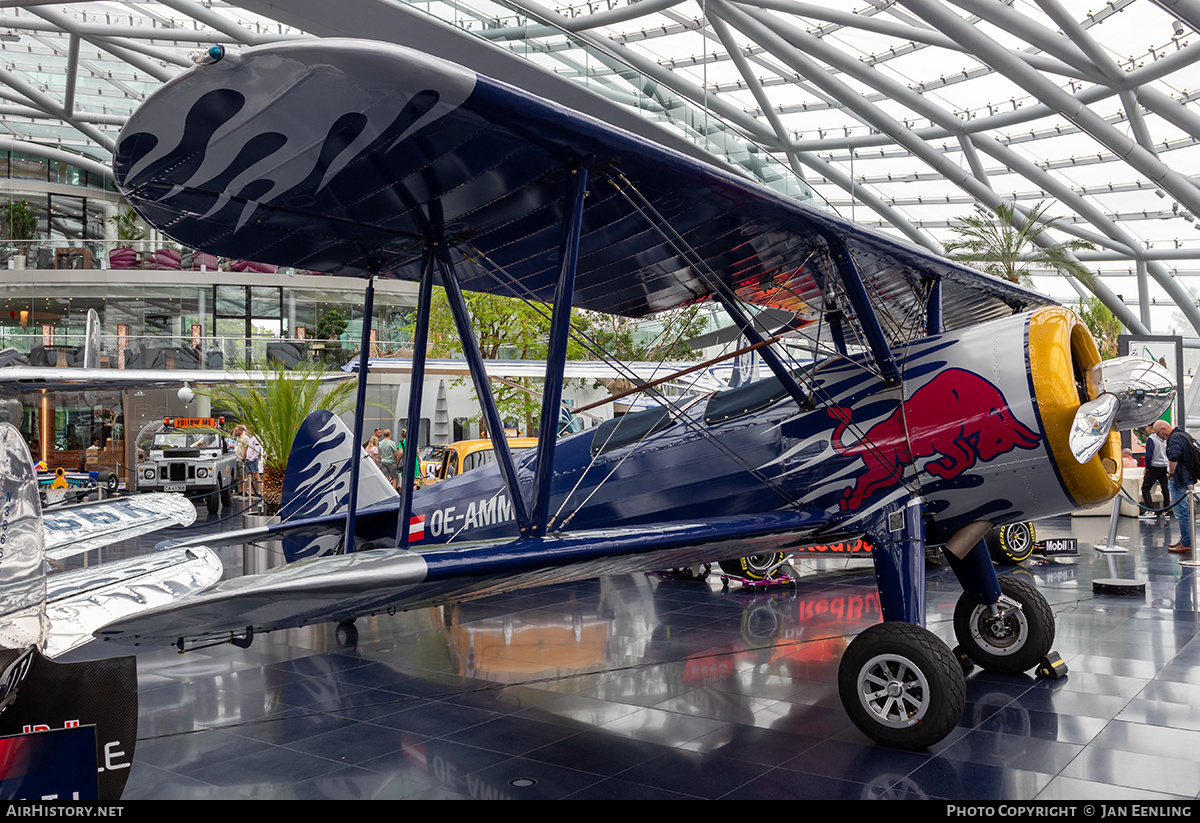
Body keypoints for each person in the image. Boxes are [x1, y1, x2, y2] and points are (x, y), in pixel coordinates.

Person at [1157, 419, 1196, 554]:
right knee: (1184, 511)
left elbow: (1173, 456)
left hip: (1180, 478)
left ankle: (1186, 543)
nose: (1158, 436)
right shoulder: (1183, 434)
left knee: (1181, 512)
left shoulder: (1174, 438)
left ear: (1163, 429)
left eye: (1158, 433)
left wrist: (1171, 473)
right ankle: (1185, 539)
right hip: (1189, 477)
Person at [1141, 424, 1170, 520]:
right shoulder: (1164, 438)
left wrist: (1147, 467)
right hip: (1164, 466)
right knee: (1165, 488)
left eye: (1147, 427)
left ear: (1150, 426)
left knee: (1145, 488)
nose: (1146, 429)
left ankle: (1150, 510)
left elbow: (1149, 455)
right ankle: (1166, 511)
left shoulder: (1151, 439)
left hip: (1154, 466)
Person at [245, 429, 263, 497]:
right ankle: (252, 491)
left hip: (253, 460)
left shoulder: (256, 438)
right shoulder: (250, 438)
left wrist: (252, 458)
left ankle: (259, 491)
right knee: (250, 475)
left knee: (256, 475)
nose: (248, 431)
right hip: (248, 458)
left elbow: (256, 450)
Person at [234, 425, 249, 496]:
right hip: (236, 458)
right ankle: (240, 490)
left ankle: (245, 490)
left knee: (244, 475)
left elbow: (246, 448)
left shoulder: (245, 438)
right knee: (239, 475)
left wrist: (244, 457)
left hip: (241, 458)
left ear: (240, 431)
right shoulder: (237, 438)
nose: (235, 432)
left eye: (236, 431)